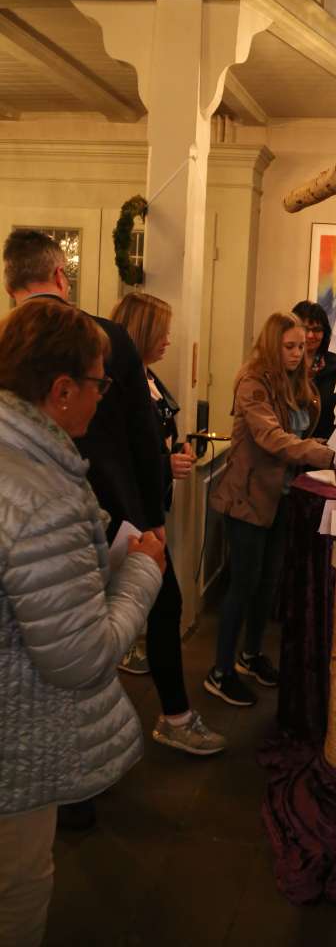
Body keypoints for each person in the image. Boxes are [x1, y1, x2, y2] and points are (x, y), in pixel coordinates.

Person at [0, 298, 165, 947]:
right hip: (11, 749)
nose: (104, 396)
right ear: (62, 390)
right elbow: (80, 658)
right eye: (99, 382)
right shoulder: (40, 496)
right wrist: (144, 571)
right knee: (17, 884)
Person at [110, 292, 226, 756]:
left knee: (159, 606)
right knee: (166, 604)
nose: (168, 340)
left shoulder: (145, 377)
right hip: (131, 518)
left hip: (145, 511)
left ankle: (166, 713)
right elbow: (124, 453)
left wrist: (171, 457)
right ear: (140, 331)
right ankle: (173, 717)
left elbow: (152, 439)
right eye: (162, 331)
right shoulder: (120, 381)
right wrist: (163, 464)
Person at [206, 311, 334, 706]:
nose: (299, 353)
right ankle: (220, 671)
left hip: (280, 495)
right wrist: (326, 455)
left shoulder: (295, 381)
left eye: (302, 346)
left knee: (267, 583)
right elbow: (271, 437)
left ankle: (250, 654)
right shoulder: (253, 381)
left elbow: (304, 424)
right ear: (271, 344)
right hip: (247, 497)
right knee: (242, 585)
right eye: (290, 346)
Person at [292, 300, 336, 439]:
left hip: (323, 448)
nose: (310, 335)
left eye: (316, 330)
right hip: (286, 449)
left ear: (325, 332)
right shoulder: (284, 365)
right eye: (305, 329)